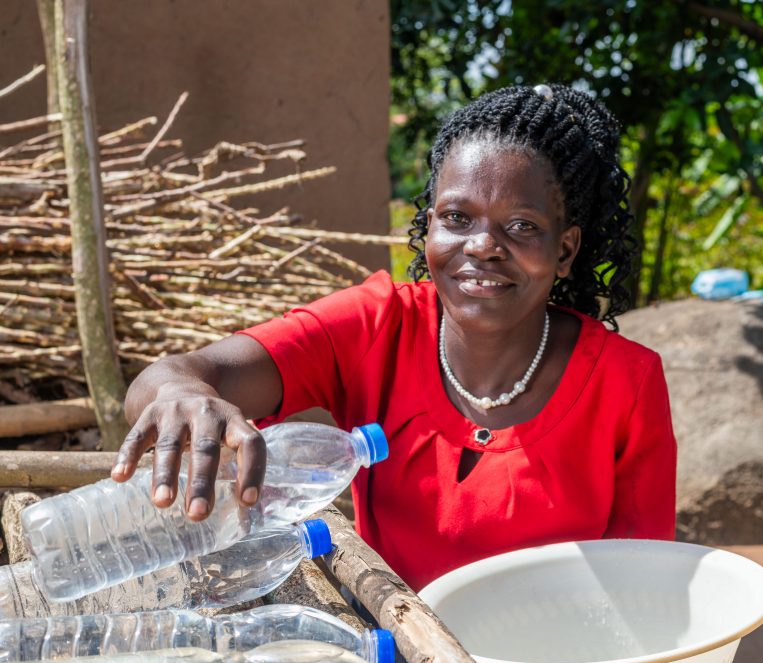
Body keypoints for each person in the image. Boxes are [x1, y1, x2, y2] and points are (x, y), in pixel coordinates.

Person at [113, 84, 677, 591]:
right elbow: (178, 375)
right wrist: (177, 396)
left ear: (566, 250)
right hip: (395, 652)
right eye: (457, 217)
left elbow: (642, 584)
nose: (482, 245)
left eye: (522, 226)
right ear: (428, 225)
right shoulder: (376, 327)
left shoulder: (625, 383)